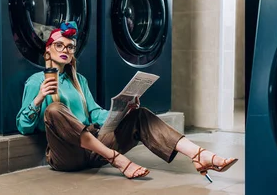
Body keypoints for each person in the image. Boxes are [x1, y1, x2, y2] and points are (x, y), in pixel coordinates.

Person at [16, 22, 237, 181]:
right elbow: (23, 127)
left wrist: (122, 110)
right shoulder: (37, 81)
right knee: (54, 109)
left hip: (96, 149)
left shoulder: (79, 80)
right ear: (48, 50)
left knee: (139, 115)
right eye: (59, 45)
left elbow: (94, 113)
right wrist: (38, 99)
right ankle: (119, 160)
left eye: (70, 47)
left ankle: (200, 155)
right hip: (67, 155)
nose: (65, 50)